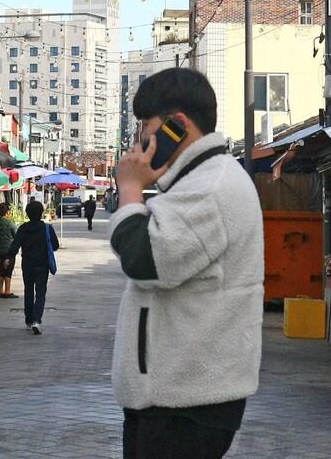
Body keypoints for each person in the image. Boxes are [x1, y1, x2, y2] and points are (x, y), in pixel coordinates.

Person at [109, 68, 264, 459]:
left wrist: (129, 190)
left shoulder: (209, 189)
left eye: (146, 124)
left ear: (178, 125)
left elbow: (144, 258)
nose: (140, 138)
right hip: (177, 397)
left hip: (186, 404)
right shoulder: (201, 180)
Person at [4, 199, 60, 334]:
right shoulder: (47, 228)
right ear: (41, 213)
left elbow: (15, 245)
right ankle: (36, 320)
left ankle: (29, 320)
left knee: (28, 291)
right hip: (43, 265)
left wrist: (8, 257)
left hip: (28, 264)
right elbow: (56, 246)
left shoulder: (23, 228)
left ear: (27, 214)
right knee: (40, 293)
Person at [0, 201, 18, 298]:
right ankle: (7, 291)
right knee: (8, 271)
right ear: (7, 212)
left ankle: (0, 291)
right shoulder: (10, 223)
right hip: (9, 250)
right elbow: (16, 235)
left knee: (1, 270)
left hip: (0, 250)